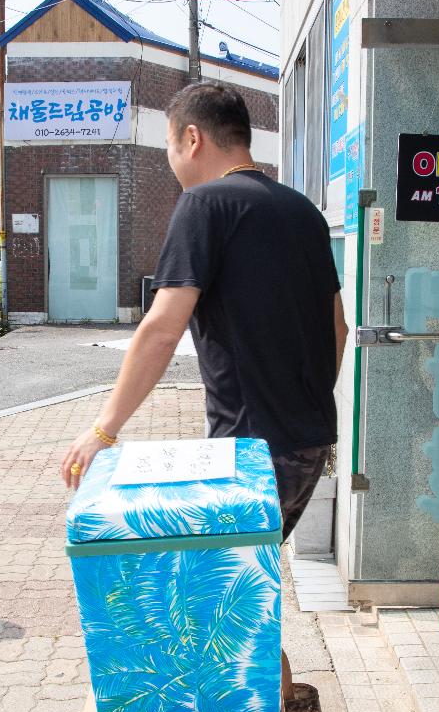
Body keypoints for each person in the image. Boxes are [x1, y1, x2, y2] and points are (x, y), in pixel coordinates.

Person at [61, 82, 348, 540]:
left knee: (220, 594)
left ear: (192, 139)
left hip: (251, 449)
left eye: (170, 146)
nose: (171, 161)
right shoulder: (305, 213)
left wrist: (105, 430)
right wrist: (301, 406)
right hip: (309, 442)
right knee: (247, 577)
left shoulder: (203, 205)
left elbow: (161, 330)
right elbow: (339, 328)